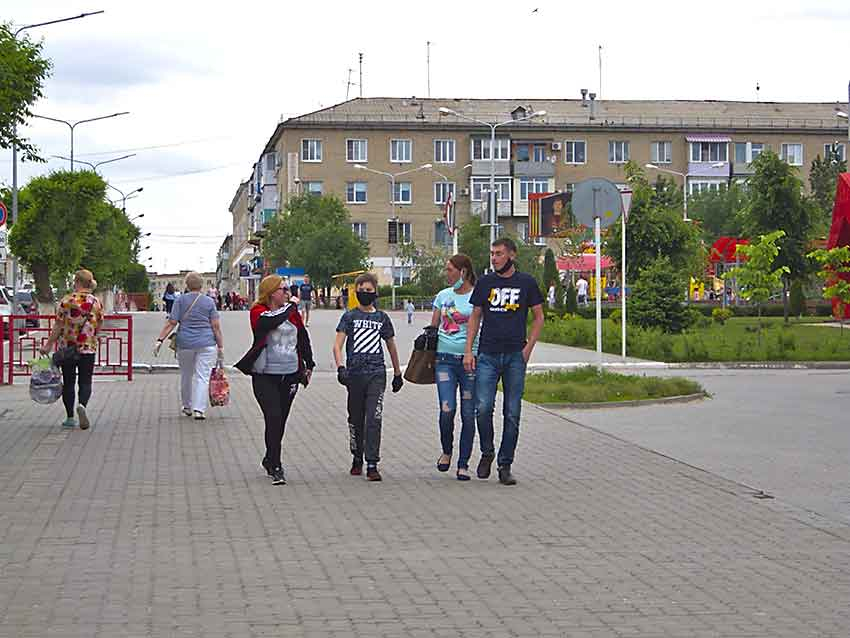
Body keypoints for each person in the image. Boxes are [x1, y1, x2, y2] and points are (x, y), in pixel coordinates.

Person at [464, 238, 545, 486]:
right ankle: (487, 452)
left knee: (512, 413)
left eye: (499, 253)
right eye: (492, 254)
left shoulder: (526, 283)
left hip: (514, 357)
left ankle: (505, 464)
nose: (494, 258)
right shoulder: (486, 283)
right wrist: (469, 350)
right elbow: (475, 317)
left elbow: (539, 317)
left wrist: (528, 348)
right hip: (488, 354)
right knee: (483, 407)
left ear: (512, 255)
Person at [235, 275, 315, 485]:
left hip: (290, 374)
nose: (287, 293)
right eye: (283, 289)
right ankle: (276, 465)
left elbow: (302, 337)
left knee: (281, 421)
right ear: (271, 293)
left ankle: (269, 458)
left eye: (287, 289)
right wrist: (291, 307)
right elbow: (269, 322)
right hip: (265, 375)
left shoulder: (292, 314)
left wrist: (309, 363)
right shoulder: (258, 312)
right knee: (273, 416)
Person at [333, 272, 403, 482]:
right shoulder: (349, 316)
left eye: (369, 291)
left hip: (376, 374)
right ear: (356, 292)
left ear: (375, 293)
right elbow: (337, 345)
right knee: (356, 419)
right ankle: (357, 457)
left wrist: (398, 373)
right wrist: (340, 367)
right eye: (361, 291)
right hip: (354, 375)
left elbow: (390, 345)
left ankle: (372, 462)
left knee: (374, 417)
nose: (365, 294)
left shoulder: (382, 318)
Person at [430, 254, 478, 480]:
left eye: (450, 270)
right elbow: (434, 326)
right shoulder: (443, 296)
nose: (447, 274)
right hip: (444, 361)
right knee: (447, 409)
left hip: (470, 362)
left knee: (469, 414)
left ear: (464, 272)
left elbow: (482, 326)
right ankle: (447, 450)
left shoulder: (477, 296)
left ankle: (463, 463)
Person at [39, 269, 104, 429]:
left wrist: (48, 345)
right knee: (85, 381)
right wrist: (95, 337)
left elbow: (58, 326)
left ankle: (69, 418)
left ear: (77, 282)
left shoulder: (66, 301)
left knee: (68, 382)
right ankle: (82, 405)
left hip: (67, 348)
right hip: (88, 348)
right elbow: (100, 323)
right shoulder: (96, 302)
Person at [154, 271, 224, 420]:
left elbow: (172, 323)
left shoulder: (180, 301)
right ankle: (199, 410)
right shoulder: (209, 302)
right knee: (202, 376)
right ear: (202, 285)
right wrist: (221, 347)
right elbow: (216, 326)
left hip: (185, 343)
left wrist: (160, 340)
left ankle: (187, 406)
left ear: (186, 285)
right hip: (207, 344)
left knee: (186, 375)